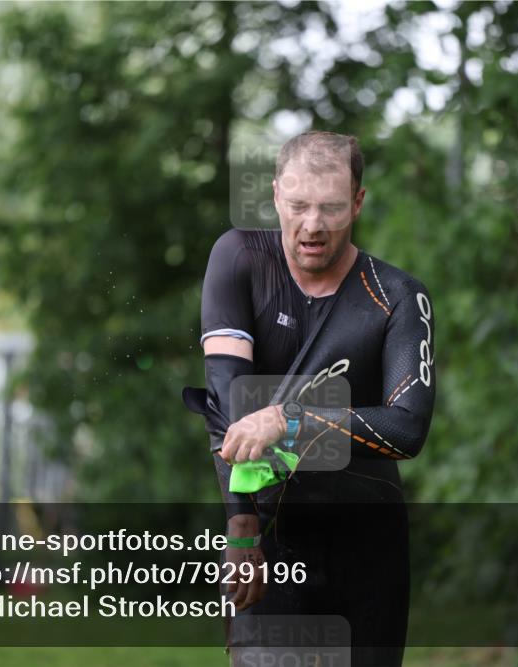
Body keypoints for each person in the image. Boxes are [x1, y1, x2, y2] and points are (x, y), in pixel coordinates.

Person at [184, 131, 436, 666]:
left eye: (332, 208)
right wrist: (241, 526)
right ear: (276, 195)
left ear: (358, 203)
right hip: (272, 535)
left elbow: (407, 428)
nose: (313, 225)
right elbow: (228, 403)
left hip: (366, 538)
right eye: (298, 206)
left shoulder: (395, 297)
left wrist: (288, 419)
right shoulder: (239, 261)